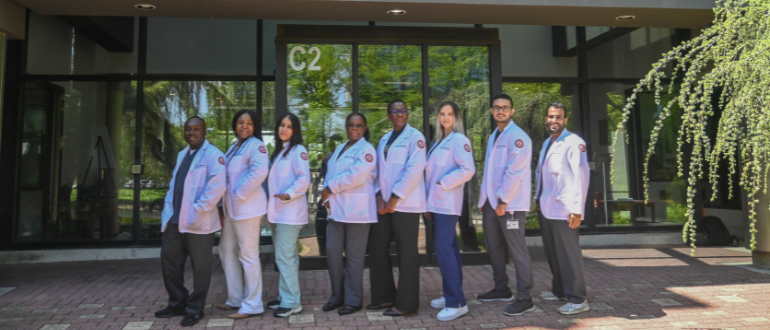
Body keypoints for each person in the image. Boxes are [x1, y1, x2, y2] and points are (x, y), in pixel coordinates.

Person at [155, 116, 226, 327]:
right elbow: (174, 186)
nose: (191, 133)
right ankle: (177, 302)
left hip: (199, 222)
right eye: (188, 129)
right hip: (175, 221)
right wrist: (167, 212)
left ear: (204, 132)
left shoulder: (214, 155)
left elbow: (217, 186)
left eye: (196, 129)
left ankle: (195, 308)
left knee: (200, 267)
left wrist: (198, 209)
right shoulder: (181, 154)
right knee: (170, 262)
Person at [476, 94, 537, 317]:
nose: (500, 111)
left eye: (505, 108)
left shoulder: (518, 137)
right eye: (496, 108)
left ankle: (525, 297)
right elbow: (490, 171)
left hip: (509, 205)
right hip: (492, 204)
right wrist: (484, 200)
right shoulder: (495, 135)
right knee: (494, 247)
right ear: (492, 111)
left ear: (512, 111)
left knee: (516, 249)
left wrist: (502, 200)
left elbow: (515, 171)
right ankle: (501, 288)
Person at [367, 99, 427, 316]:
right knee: (377, 247)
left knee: (407, 253)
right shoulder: (384, 139)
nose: (400, 114)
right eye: (395, 111)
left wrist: (394, 197)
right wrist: (378, 197)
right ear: (388, 115)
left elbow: (414, 170)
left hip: (406, 204)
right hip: (384, 204)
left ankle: (406, 304)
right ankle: (384, 298)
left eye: (404, 110)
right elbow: (377, 173)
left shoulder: (416, 137)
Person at [534, 102, 591, 315]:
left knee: (568, 254)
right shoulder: (547, 142)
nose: (554, 121)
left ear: (565, 120)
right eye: (550, 117)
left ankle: (578, 298)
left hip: (565, 208)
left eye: (558, 117)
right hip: (546, 206)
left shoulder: (574, 142)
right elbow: (542, 174)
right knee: (552, 252)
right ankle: (559, 290)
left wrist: (577, 209)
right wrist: (536, 197)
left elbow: (581, 175)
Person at [320, 113, 377, 316]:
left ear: (364, 127)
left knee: (354, 257)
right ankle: (337, 296)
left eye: (358, 125)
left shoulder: (367, 150)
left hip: (358, 211)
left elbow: (356, 176)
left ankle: (353, 300)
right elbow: (331, 172)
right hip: (337, 210)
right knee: (332, 252)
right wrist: (326, 192)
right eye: (351, 125)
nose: (354, 128)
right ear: (346, 126)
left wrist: (330, 188)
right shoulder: (339, 148)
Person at [424, 102, 476, 322]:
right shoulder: (438, 142)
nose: (445, 118)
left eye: (450, 114)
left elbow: (468, 170)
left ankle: (457, 303)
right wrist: (428, 202)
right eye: (442, 114)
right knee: (451, 251)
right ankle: (450, 295)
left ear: (456, 118)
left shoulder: (459, 140)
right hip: (436, 203)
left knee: (444, 251)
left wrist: (443, 183)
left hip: (447, 203)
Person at [216, 110, 269, 319]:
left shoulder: (257, 146)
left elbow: (259, 172)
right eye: (240, 122)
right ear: (235, 125)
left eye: (248, 123)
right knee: (226, 249)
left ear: (254, 126)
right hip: (231, 208)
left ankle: (253, 304)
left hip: (247, 207)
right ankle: (236, 298)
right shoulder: (233, 147)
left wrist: (239, 194)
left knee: (248, 254)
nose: (244, 126)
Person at [265, 113, 311, 318]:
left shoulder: (298, 151)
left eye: (289, 126)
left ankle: (292, 302)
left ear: (295, 131)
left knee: (285, 257)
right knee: (285, 257)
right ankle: (286, 297)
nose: (284, 129)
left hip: (290, 213)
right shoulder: (278, 152)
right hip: (278, 213)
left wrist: (288, 194)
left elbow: (304, 179)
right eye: (281, 125)